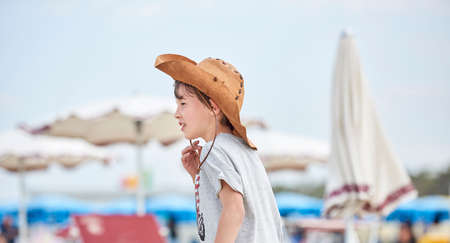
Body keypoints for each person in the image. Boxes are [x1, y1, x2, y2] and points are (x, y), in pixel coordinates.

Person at [154, 54, 284, 243]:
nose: (176, 113)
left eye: (183, 104)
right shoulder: (246, 152)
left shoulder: (213, 150)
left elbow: (234, 210)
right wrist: (198, 177)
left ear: (213, 107)